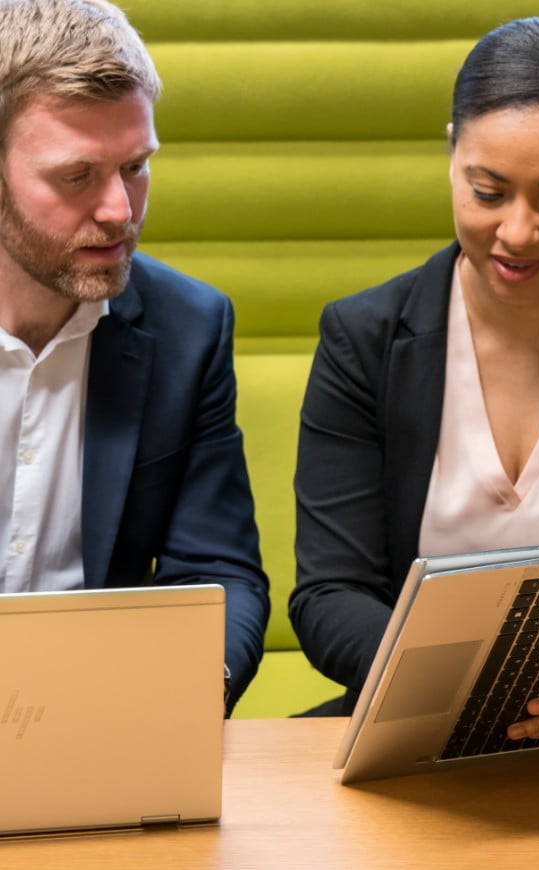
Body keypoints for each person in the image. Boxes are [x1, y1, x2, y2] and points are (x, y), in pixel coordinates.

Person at [290, 16, 539, 741]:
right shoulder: (363, 339)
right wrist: (458, 688)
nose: (516, 232)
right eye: (487, 193)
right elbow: (331, 593)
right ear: (452, 155)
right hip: (411, 723)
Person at [0, 0, 269, 714]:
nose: (120, 209)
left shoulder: (190, 327)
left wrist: (183, 698)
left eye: (136, 166)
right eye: (76, 176)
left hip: (99, 716)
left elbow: (217, 573)